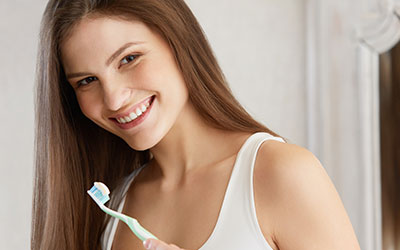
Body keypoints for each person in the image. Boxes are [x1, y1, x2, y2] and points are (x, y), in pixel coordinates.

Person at [31, 0, 361, 250]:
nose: (114, 99)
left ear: (179, 43)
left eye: (129, 58)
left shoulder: (281, 174)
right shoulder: (113, 208)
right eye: (87, 80)